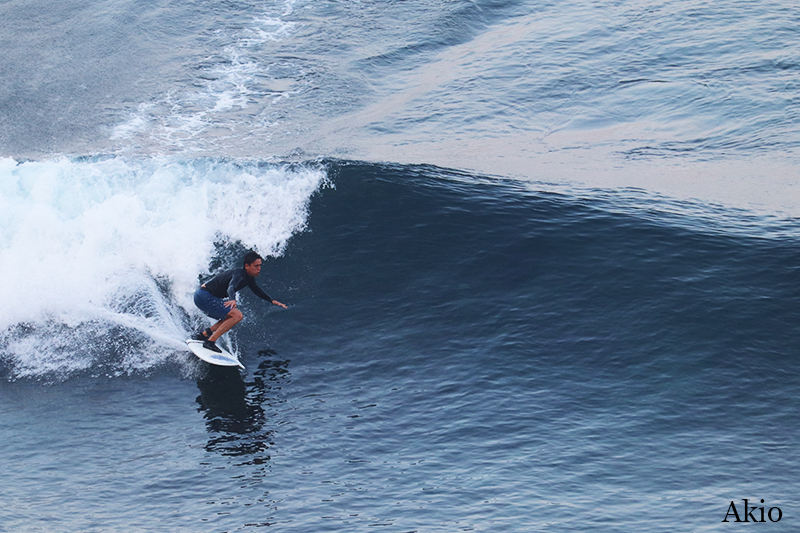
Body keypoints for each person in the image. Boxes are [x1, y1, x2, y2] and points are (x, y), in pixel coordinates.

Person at [193, 251, 287, 352]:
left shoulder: (249, 278)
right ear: (247, 266)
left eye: (260, 265)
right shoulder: (238, 274)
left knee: (230, 317)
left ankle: (204, 334)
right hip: (204, 296)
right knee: (237, 315)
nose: (259, 269)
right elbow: (231, 287)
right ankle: (210, 342)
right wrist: (232, 299)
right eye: (256, 266)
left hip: (202, 295)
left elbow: (256, 290)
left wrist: (271, 300)